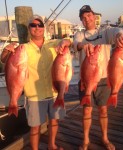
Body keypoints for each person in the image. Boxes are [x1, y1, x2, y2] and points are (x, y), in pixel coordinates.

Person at [0, 15, 71, 150]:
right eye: (33, 25)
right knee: (35, 128)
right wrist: (5, 50)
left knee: (54, 122)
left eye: (40, 25)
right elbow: (4, 60)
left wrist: (65, 42)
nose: (37, 28)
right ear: (29, 29)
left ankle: (52, 145)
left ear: (44, 28)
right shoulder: (23, 48)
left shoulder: (53, 44)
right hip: (34, 96)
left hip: (54, 92)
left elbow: (68, 42)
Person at [72, 5, 123, 150]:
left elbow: (117, 31)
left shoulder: (104, 32)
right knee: (86, 110)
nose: (87, 19)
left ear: (94, 16)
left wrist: (119, 36)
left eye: (89, 15)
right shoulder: (79, 35)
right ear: (81, 21)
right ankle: (85, 140)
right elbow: (76, 44)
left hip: (103, 77)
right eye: (83, 17)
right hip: (86, 79)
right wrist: (84, 46)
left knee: (103, 110)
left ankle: (104, 137)